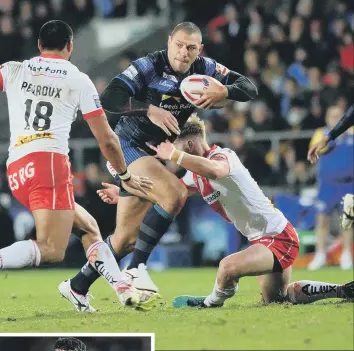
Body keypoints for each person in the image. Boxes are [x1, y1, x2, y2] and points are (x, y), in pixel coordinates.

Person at [60, 21, 258, 311]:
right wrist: (149, 108)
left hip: (152, 155)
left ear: (199, 49)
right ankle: (137, 268)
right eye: (179, 45)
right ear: (169, 42)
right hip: (129, 145)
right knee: (174, 194)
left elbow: (248, 87)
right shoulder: (149, 66)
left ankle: (77, 286)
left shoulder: (205, 68)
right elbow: (110, 97)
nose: (184, 52)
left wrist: (224, 93)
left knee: (125, 240)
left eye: (191, 47)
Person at [0, 20, 153, 309]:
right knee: (51, 249)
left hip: (16, 170)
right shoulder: (78, 80)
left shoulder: (15, 69)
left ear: (39, 45)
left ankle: (116, 289)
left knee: (88, 228)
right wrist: (124, 174)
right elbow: (108, 140)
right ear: (70, 46)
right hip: (48, 163)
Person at [97, 114, 354, 307]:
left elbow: (216, 172)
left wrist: (173, 155)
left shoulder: (224, 156)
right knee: (277, 300)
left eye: (173, 146)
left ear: (187, 144)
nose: (166, 155)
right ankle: (344, 290)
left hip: (278, 237)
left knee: (226, 268)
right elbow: (165, 194)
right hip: (262, 240)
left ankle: (208, 304)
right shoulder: (193, 176)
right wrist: (122, 192)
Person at [306, 105, 353, 270]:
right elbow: (316, 149)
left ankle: (347, 255)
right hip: (327, 184)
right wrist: (330, 140)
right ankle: (320, 255)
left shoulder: (352, 131)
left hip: (349, 184)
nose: (334, 119)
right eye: (332, 116)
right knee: (322, 220)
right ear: (326, 118)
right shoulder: (321, 133)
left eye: (338, 116)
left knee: (347, 221)